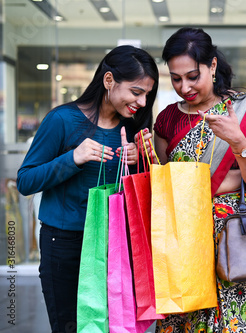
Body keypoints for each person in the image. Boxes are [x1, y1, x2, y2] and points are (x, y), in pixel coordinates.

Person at [153, 27, 246, 333]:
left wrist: (239, 142)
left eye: (192, 76)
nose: (184, 86)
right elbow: (167, 185)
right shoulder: (168, 120)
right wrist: (229, 178)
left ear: (212, 66)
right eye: (176, 78)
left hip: (239, 244)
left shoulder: (245, 111)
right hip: (186, 247)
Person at [17, 44, 159, 333]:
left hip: (115, 246)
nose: (143, 102)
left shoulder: (132, 129)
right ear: (108, 81)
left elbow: (141, 193)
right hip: (64, 245)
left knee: (114, 327)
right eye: (136, 92)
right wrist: (73, 158)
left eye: (147, 94)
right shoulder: (62, 120)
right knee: (70, 326)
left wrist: (139, 162)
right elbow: (26, 181)